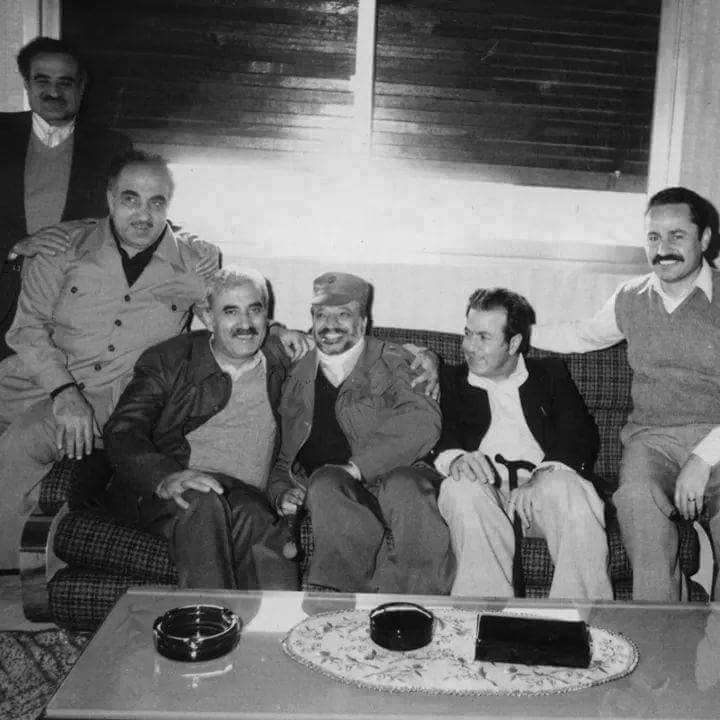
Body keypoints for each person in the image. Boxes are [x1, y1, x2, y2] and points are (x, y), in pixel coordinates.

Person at [532, 186, 720, 601]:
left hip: (717, 439)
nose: (663, 249)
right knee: (636, 499)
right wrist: (516, 332)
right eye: (653, 237)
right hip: (652, 442)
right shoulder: (632, 297)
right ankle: (659, 626)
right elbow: (584, 335)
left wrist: (702, 460)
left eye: (677, 236)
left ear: (705, 238)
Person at [104, 268, 298, 589]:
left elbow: (340, 343)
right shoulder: (170, 360)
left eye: (254, 310)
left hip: (244, 497)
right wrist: (165, 476)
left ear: (267, 315)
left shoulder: (283, 360)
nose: (246, 323)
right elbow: (123, 429)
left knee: (257, 517)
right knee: (203, 501)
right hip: (177, 487)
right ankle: (208, 617)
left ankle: (274, 620)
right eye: (230, 312)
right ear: (208, 318)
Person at [268, 272, 455, 594]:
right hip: (336, 491)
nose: (330, 324)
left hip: (400, 477)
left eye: (343, 314)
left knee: (403, 485)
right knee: (325, 481)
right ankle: (346, 607)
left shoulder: (395, 360)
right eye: (321, 314)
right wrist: (281, 491)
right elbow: (283, 458)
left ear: (364, 321)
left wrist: (357, 468)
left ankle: (419, 605)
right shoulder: (295, 373)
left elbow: (422, 423)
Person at [435, 287, 612, 599]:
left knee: (572, 490)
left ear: (514, 343)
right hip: (483, 495)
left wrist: (543, 474)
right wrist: (457, 458)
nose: (469, 347)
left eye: (483, 337)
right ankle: (485, 616)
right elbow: (437, 435)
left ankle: (579, 620)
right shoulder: (450, 380)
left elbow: (580, 433)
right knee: (460, 486)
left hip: (541, 494)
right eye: (468, 333)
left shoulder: (550, 374)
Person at [0, 36, 133, 359]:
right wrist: (15, 245)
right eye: (42, 80)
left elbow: (130, 218)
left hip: (69, 311)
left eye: (65, 82)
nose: (53, 92)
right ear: (27, 84)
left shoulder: (112, 148)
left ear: (82, 88)